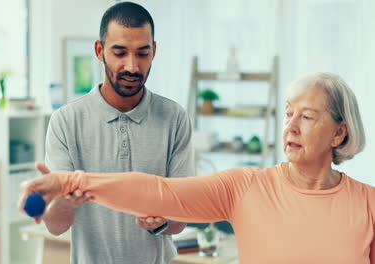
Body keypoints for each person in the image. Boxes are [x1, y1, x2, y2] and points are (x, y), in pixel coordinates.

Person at [20, 72, 375, 264]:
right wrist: (70, 180)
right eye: (288, 113)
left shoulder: (367, 205)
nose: (291, 126)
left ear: (339, 132)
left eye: (308, 116)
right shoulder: (246, 188)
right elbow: (160, 192)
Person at [38, 2, 194, 264]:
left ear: (154, 51)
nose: (132, 66)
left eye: (142, 53)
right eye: (119, 53)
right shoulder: (65, 122)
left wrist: (162, 221)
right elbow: (54, 226)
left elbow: (182, 219)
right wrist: (65, 203)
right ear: (99, 51)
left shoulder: (174, 118)